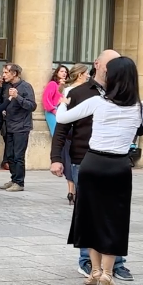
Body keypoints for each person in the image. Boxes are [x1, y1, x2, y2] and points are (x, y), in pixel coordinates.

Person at [57, 56, 143, 285]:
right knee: (114, 219)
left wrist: (63, 102)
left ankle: (94, 271)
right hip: (118, 166)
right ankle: (106, 273)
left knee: (90, 216)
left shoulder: (98, 102)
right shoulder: (140, 107)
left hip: (93, 162)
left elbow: (63, 117)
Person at [51, 51, 130, 280]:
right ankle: (87, 261)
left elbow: (137, 127)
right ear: (97, 64)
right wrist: (56, 158)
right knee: (88, 211)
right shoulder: (79, 92)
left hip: (113, 159)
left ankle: (116, 263)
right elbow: (62, 128)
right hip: (83, 159)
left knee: (114, 212)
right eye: (109, 63)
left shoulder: (122, 94)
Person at [0, 63, 36, 192]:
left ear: (14, 73)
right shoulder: (7, 86)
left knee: (18, 155)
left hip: (21, 126)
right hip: (9, 125)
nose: (3, 75)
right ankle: (14, 179)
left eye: (6, 72)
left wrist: (17, 97)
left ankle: (19, 182)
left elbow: (32, 106)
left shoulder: (26, 87)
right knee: (10, 155)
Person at [59, 64, 91, 205]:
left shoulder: (67, 89)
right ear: (80, 75)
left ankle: (71, 190)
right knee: (74, 161)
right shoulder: (74, 91)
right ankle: (75, 191)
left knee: (70, 160)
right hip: (75, 129)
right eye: (87, 73)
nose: (89, 76)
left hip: (72, 129)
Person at [42, 64, 68, 136]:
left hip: (61, 111)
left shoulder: (63, 86)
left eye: (65, 72)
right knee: (56, 133)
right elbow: (46, 99)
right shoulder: (52, 84)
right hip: (52, 111)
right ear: (57, 73)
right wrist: (54, 110)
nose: (64, 73)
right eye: (62, 71)